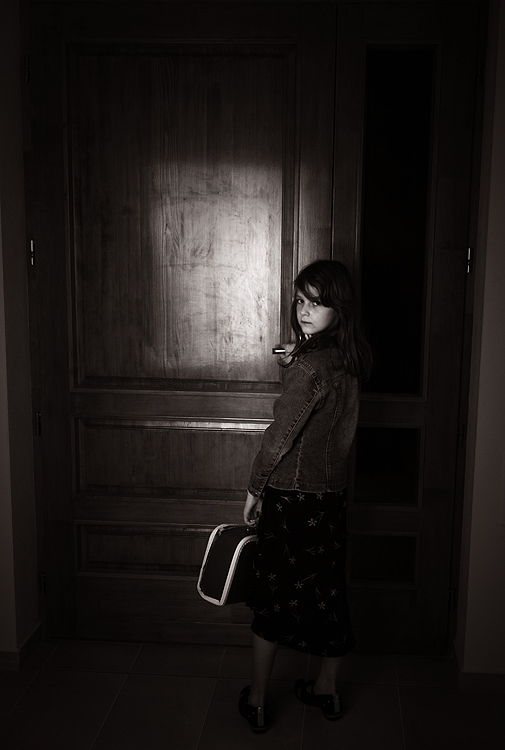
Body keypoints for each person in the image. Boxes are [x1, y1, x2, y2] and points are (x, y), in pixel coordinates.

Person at [238, 259, 372, 733]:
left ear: (340, 308)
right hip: (330, 497)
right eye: (300, 300)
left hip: (292, 497)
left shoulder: (311, 366)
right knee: (328, 592)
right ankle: (327, 689)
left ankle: (258, 700)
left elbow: (281, 435)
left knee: (272, 597)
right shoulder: (348, 360)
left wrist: (255, 488)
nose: (304, 310)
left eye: (317, 302)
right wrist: (298, 360)